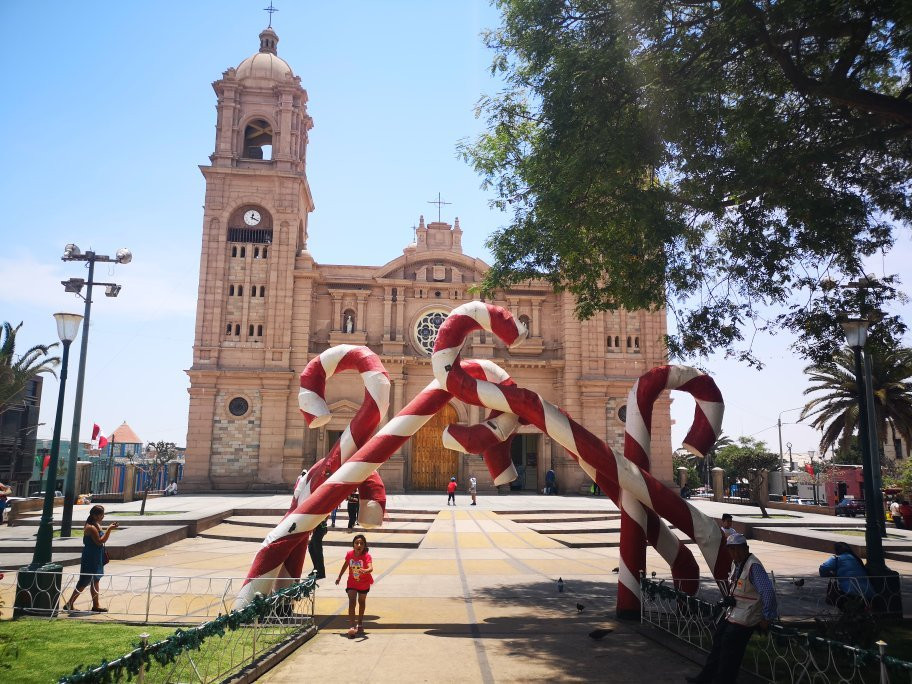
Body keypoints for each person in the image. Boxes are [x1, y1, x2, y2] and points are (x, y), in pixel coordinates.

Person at [686, 533, 777, 684]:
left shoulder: (753, 566)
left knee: (729, 652)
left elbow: (767, 592)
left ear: (746, 548)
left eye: (737, 549)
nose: (734, 553)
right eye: (731, 549)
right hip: (734, 614)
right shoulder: (736, 564)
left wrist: (767, 617)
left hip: (746, 617)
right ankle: (705, 678)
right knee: (718, 642)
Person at [63, 505, 119, 612]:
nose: (103, 516)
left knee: (96, 580)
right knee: (84, 581)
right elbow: (100, 541)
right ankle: (69, 603)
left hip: (96, 555)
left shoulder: (96, 525)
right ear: (95, 515)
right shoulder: (91, 527)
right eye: (102, 514)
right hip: (91, 556)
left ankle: (96, 605)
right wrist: (109, 529)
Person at [335, 533, 373, 637]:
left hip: (364, 582)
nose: (359, 545)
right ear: (353, 545)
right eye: (357, 543)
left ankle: (360, 622)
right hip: (352, 582)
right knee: (352, 601)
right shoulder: (349, 554)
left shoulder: (367, 556)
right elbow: (345, 565)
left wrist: (365, 570)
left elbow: (371, 568)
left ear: (364, 545)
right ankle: (352, 626)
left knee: (361, 602)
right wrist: (339, 576)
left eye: (361, 543)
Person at [819, 541, 874, 610]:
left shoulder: (837, 558)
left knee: (845, 605)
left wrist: (831, 574)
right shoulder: (856, 559)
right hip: (868, 592)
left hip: (850, 591)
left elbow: (823, 568)